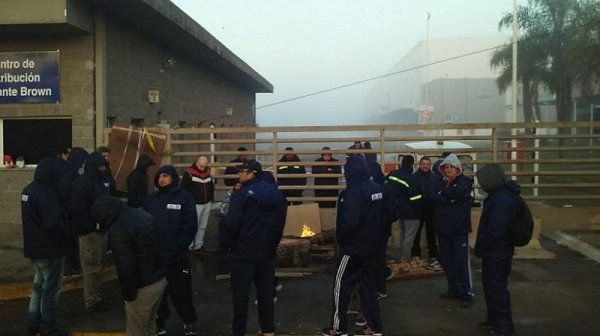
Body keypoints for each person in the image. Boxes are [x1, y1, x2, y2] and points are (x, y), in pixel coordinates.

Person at [220, 159, 287, 336]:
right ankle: (268, 330)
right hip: (266, 253)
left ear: (252, 174)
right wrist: (273, 243)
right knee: (266, 295)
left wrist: (227, 246)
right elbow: (280, 224)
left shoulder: (240, 195)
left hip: (242, 253)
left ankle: (239, 331)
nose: (239, 174)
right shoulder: (277, 195)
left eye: (243, 172)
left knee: (240, 297)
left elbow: (232, 223)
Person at [322, 157, 385, 336]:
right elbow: (385, 216)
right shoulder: (377, 189)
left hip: (353, 249)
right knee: (368, 289)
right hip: (372, 248)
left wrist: (341, 239)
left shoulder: (351, 193)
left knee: (340, 287)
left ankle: (338, 327)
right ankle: (374, 327)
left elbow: (349, 223)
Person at [91, 196, 167, 336]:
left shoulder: (118, 230)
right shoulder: (142, 214)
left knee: (136, 331)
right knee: (150, 325)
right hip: (159, 279)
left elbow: (125, 265)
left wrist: (128, 292)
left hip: (143, 287)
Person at [143, 165, 198, 335]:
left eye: (165, 176)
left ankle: (189, 322)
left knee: (182, 294)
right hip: (156, 258)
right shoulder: (152, 199)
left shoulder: (184, 198)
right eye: (159, 176)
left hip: (177, 257)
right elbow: (144, 223)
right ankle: (159, 324)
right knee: (158, 297)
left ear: (173, 177)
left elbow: (190, 226)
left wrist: (178, 247)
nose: (161, 179)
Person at [21, 157, 70, 336]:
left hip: (34, 248)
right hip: (50, 249)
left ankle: (33, 322)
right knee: (51, 290)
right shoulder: (47, 193)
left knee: (38, 287)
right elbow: (53, 222)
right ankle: (48, 327)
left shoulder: (29, 189)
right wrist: (66, 234)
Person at [475, 164, 518, 336]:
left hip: (497, 253)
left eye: (482, 181)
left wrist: (483, 244)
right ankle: (493, 321)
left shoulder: (502, 199)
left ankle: (504, 328)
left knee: (497, 291)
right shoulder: (499, 196)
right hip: (495, 252)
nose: (481, 185)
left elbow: (496, 230)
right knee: (491, 289)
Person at [429, 154, 474, 308]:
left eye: (451, 167)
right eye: (446, 167)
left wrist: (443, 196)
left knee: (461, 262)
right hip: (443, 229)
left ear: (458, 168)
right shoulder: (439, 182)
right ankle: (453, 289)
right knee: (448, 262)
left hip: (458, 230)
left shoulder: (465, 182)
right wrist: (448, 199)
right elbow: (431, 197)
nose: (448, 170)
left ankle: (466, 293)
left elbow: (460, 194)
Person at [71, 152, 112, 312]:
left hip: (101, 229)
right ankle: (92, 300)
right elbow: (79, 210)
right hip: (90, 232)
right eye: (101, 166)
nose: (103, 169)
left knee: (98, 264)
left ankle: (96, 296)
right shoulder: (82, 183)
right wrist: (93, 225)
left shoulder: (101, 181)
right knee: (92, 266)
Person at [57, 147, 89, 275]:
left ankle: (73, 266)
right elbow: (65, 196)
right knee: (70, 243)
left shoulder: (71, 173)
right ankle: (70, 268)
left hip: (71, 215)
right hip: (68, 215)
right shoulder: (68, 175)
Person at [385, 155, 423, 261]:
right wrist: (422, 205)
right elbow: (416, 198)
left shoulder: (393, 174)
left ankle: (402, 257)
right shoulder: (411, 178)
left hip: (399, 210)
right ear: (411, 164)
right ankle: (405, 258)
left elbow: (386, 185)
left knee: (403, 234)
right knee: (409, 236)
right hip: (412, 212)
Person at [412, 156, 443, 271]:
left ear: (430, 165)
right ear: (419, 165)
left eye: (427, 164)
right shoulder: (414, 177)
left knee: (431, 233)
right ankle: (416, 254)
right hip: (418, 209)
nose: (425, 166)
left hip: (431, 209)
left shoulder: (435, 178)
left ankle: (433, 254)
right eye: (423, 164)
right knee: (417, 233)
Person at [181, 156, 215, 252]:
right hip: (195, 204)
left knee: (203, 226)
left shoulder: (207, 174)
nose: (203, 168)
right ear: (196, 163)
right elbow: (184, 189)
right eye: (201, 166)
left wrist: (211, 198)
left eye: (204, 166)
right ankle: (190, 246)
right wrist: (189, 203)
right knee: (192, 225)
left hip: (207, 203)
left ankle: (199, 245)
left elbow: (211, 187)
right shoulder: (189, 174)